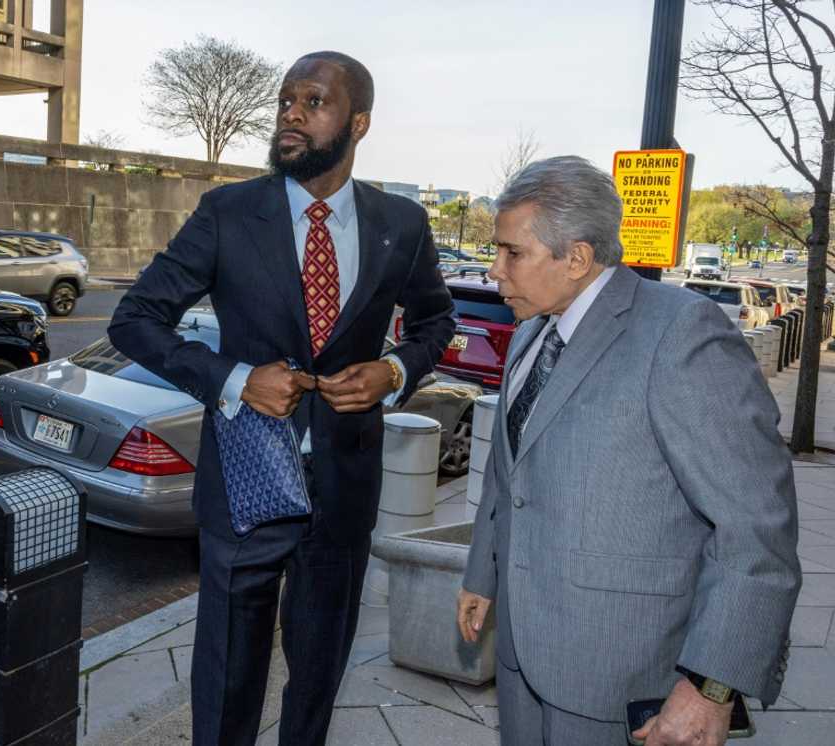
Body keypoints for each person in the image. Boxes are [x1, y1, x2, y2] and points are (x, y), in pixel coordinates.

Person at [109, 52, 454, 745]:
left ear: (357, 123)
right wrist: (235, 378)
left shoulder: (401, 224)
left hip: (343, 484)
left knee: (320, 670)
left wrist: (392, 373)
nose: (291, 113)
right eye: (286, 100)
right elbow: (134, 320)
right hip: (244, 482)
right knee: (229, 675)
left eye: (314, 102)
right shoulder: (230, 212)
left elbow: (435, 322)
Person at [456, 156, 801, 746]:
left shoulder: (683, 333)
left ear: (578, 258)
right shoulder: (534, 333)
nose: (495, 270)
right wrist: (482, 571)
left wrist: (711, 687)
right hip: (520, 654)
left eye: (513, 253)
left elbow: (755, 525)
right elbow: (507, 476)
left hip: (618, 669)